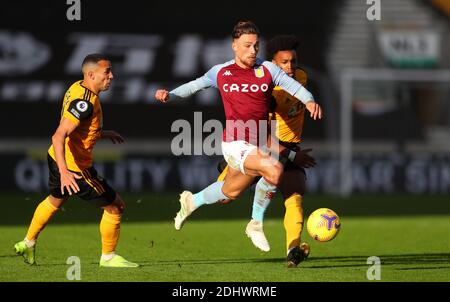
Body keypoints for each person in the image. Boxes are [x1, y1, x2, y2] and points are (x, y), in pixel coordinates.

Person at [155, 21, 322, 253]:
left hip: (259, 143)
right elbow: (194, 86)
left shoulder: (268, 70)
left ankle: (191, 201)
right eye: (247, 46)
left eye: (256, 46)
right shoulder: (221, 72)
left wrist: (310, 100)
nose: (253, 51)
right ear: (234, 46)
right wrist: (170, 95)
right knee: (274, 169)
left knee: (229, 192)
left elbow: (296, 88)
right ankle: (255, 224)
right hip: (234, 143)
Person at [14, 54, 139, 268]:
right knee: (116, 207)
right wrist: (65, 172)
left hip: (55, 155)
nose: (112, 76)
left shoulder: (78, 87)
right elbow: (59, 135)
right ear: (91, 74)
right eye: (106, 72)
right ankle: (108, 257)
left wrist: (102, 133)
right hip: (74, 168)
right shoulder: (85, 101)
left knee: (55, 200)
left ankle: (28, 241)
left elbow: (77, 129)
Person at [217, 35, 314, 267]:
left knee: (294, 198)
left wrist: (291, 152)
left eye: (293, 61)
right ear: (272, 64)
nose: (290, 67)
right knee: (225, 197)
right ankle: (195, 199)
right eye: (284, 63)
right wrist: (291, 155)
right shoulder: (265, 90)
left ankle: (293, 251)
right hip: (262, 148)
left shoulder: (301, 77)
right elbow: (262, 134)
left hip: (289, 149)